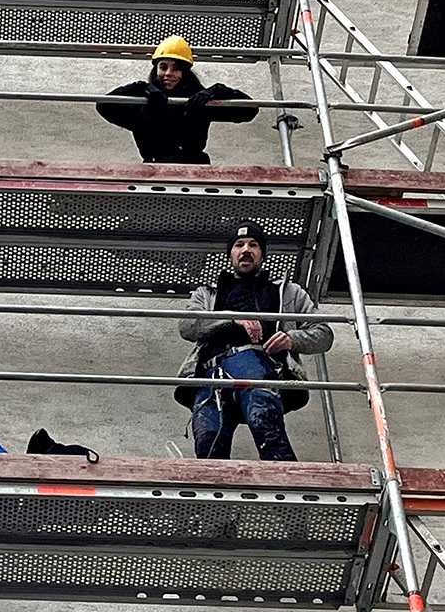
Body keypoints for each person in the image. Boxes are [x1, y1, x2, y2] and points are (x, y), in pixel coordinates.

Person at [176, 222, 333, 461]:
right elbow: (187, 327)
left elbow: (323, 334)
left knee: (266, 425)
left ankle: (283, 478)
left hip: (260, 367)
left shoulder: (288, 292)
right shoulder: (207, 294)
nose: (246, 250)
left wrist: (290, 339)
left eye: (253, 245)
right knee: (208, 441)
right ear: (230, 253)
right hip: (211, 375)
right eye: (239, 245)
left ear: (262, 253)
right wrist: (233, 320)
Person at [95, 35, 259, 164]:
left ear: (185, 73)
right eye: (163, 67)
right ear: (156, 69)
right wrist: (139, 87)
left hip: (194, 169)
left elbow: (249, 110)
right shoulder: (143, 103)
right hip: (154, 169)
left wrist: (217, 91)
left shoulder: (197, 101)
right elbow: (103, 106)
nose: (168, 73)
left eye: (176, 68)